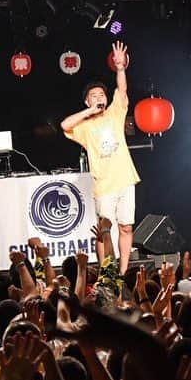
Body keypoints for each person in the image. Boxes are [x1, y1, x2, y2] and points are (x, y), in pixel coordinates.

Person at [61, 41, 140, 274]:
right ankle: (107, 271)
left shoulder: (115, 113)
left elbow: (122, 90)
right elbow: (64, 125)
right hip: (104, 185)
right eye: (93, 95)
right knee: (104, 230)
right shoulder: (84, 127)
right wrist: (90, 111)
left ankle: (123, 272)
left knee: (126, 227)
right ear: (87, 101)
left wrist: (120, 68)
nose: (99, 97)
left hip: (125, 179)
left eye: (101, 94)